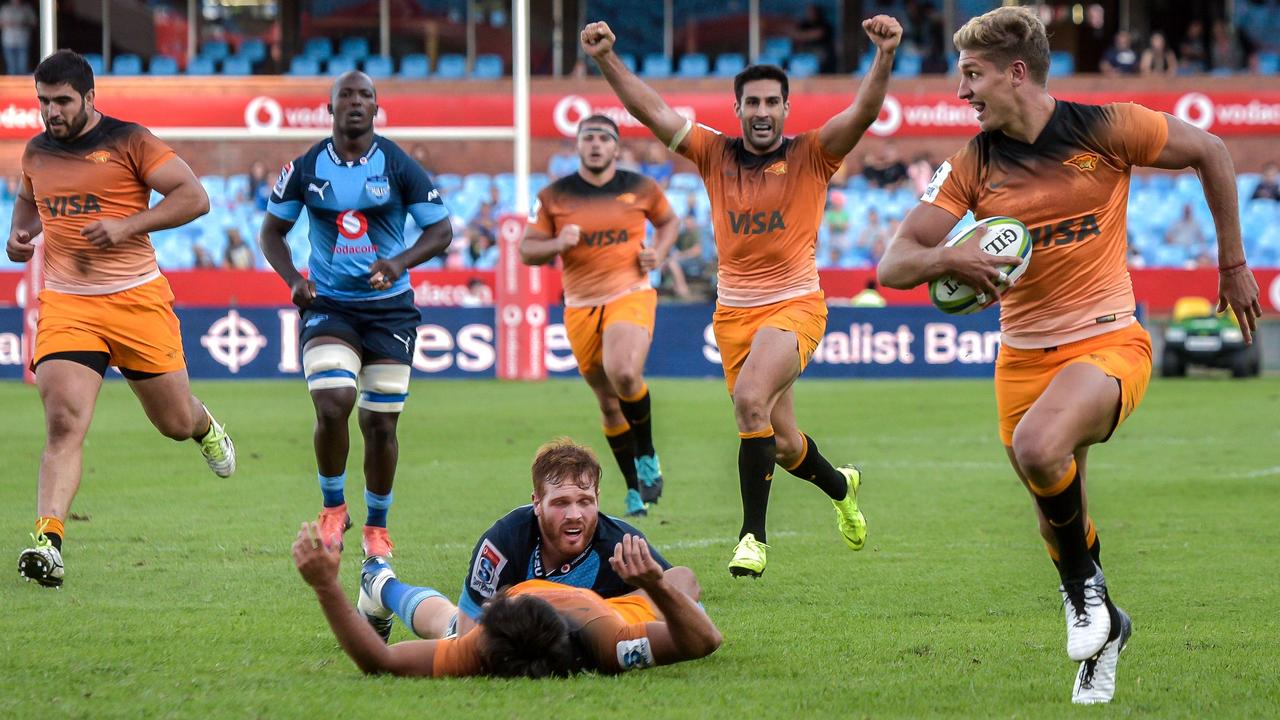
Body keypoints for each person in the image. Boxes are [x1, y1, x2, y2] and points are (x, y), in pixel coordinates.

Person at [876, 7, 1262, 704]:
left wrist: (1232, 261)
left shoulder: (1105, 126)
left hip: (1109, 337)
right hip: (1021, 359)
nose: (963, 93)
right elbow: (895, 265)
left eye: (973, 76)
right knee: (1059, 504)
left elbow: (1211, 149)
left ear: (1015, 72)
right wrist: (949, 255)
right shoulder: (972, 162)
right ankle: (1106, 626)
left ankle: (1084, 596)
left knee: (1038, 446)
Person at [580, 15, 901, 577]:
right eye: (751, 102)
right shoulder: (714, 153)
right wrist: (607, 57)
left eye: (771, 102)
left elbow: (864, 113)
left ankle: (753, 537)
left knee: (749, 399)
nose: (761, 112)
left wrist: (884, 55)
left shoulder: (813, 154)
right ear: (737, 110)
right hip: (733, 315)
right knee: (781, 442)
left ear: (785, 109)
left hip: (796, 303)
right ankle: (840, 485)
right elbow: (651, 112)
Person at [7, 50, 236, 588]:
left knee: (174, 422)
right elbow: (26, 202)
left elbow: (195, 197)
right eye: (43, 101)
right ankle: (48, 542)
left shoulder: (131, 140)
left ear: (89, 98)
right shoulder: (36, 152)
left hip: (136, 301)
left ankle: (205, 427)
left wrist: (128, 226)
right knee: (64, 422)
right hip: (68, 303)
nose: (51, 112)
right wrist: (21, 237)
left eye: (61, 101)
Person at [258, 71, 452, 558]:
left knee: (381, 425)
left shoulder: (398, 164)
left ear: (376, 107)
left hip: (390, 312)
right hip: (329, 305)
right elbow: (270, 233)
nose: (356, 102)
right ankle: (333, 508)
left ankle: (376, 526)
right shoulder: (305, 167)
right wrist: (294, 280)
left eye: (365, 95)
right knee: (332, 400)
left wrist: (398, 262)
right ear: (330, 107)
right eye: (346, 94)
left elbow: (441, 231)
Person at [354, 438, 697, 641]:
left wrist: (618, 611)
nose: (575, 514)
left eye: (585, 501)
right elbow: (471, 641)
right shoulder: (503, 542)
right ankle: (381, 585)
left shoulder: (622, 542)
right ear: (536, 502)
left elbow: (687, 590)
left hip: (585, 627)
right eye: (561, 503)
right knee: (452, 628)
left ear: (598, 499)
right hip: (500, 627)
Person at [294, 520, 722, 678]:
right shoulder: (612, 641)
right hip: (616, 610)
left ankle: (380, 584)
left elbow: (379, 662)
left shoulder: (478, 649)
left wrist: (326, 587)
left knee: (447, 625)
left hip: (488, 635)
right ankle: (381, 586)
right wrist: (659, 586)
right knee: (682, 578)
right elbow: (705, 641)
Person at [521, 114, 679, 517]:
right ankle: (633, 487)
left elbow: (668, 222)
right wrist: (558, 241)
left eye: (602, 138)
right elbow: (527, 250)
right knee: (609, 405)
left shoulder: (639, 187)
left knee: (624, 371)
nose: (594, 144)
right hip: (579, 306)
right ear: (578, 146)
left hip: (630, 293)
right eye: (587, 137)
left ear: (615, 146)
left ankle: (647, 455)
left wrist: (658, 254)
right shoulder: (556, 195)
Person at [792, 3, 836, 73]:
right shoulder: (804, 24)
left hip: (820, 50)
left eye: (813, 12)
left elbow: (819, 34)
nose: (811, 14)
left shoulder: (824, 24)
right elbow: (795, 35)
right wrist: (804, 35)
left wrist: (803, 35)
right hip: (805, 49)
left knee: (822, 55)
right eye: (809, 12)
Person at [0, 0, 35, 75]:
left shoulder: (26, 8)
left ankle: (23, 86)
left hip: (22, 41)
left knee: (22, 67)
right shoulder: (5, 8)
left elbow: (34, 22)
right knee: (11, 68)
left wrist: (22, 23)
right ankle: (11, 86)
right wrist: (8, 24)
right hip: (8, 41)